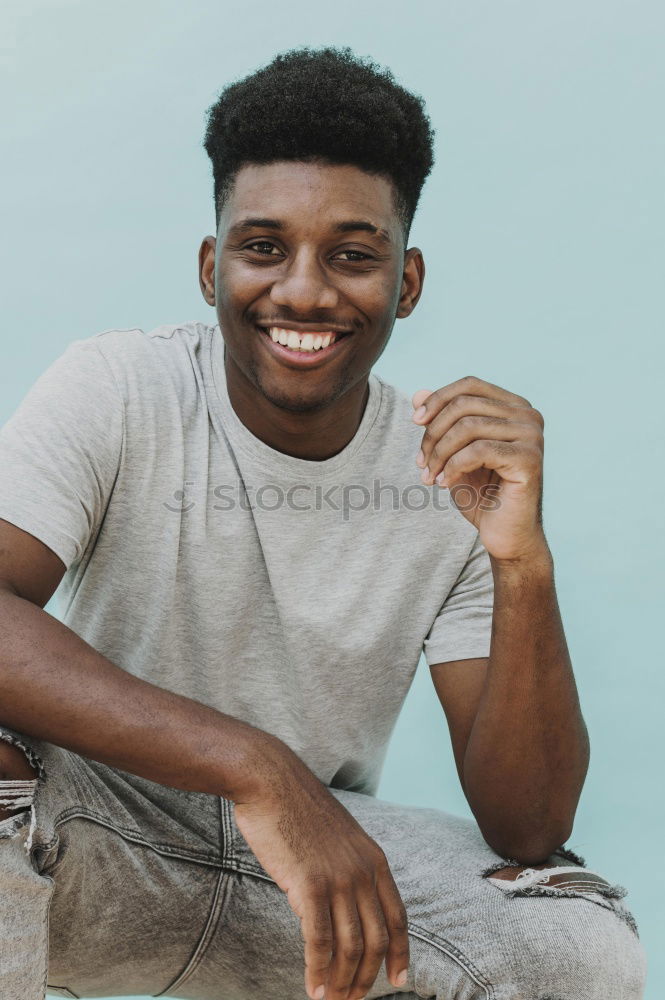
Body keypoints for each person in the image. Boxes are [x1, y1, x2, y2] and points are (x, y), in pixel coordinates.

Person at [0, 45, 646, 1000]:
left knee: (578, 935)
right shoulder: (120, 387)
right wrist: (257, 767)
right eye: (264, 248)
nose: (303, 291)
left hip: (315, 883)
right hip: (101, 837)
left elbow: (529, 827)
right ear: (212, 266)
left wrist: (522, 561)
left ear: (407, 281)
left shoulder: (450, 474)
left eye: (352, 255)